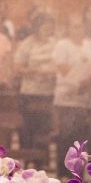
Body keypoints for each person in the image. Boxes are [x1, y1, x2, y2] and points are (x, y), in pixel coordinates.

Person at [53, 12, 91, 172]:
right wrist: (80, 79)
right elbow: (62, 68)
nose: (78, 30)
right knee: (66, 135)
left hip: (85, 98)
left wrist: (89, 79)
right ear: (69, 29)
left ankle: (78, 170)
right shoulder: (62, 45)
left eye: (80, 27)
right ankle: (63, 171)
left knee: (81, 137)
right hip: (66, 98)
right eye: (74, 27)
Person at [13, 12, 58, 156]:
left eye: (50, 26)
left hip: (48, 93)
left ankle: (42, 162)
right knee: (28, 128)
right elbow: (17, 68)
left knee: (44, 130)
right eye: (45, 26)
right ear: (37, 27)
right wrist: (35, 71)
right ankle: (26, 161)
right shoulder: (27, 43)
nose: (48, 29)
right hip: (30, 93)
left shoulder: (55, 43)